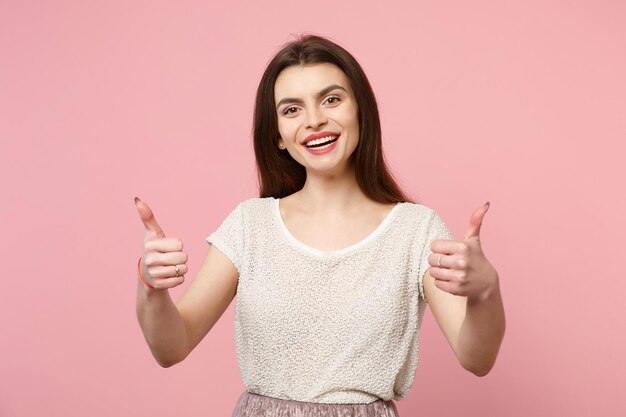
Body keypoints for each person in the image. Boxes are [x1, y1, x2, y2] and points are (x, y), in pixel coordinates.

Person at [134, 34, 505, 417]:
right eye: (292, 110)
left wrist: (485, 291)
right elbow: (171, 348)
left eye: (331, 99)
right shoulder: (250, 225)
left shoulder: (416, 231)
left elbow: (476, 358)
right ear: (277, 134)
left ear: (361, 111)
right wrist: (150, 286)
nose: (314, 120)